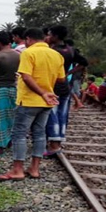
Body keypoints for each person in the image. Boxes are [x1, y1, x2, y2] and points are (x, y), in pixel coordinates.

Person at [0, 28, 64, 181]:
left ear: (28, 39)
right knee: (39, 134)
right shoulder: (56, 55)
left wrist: (41, 92)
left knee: (19, 134)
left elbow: (26, 77)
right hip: (46, 102)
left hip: (29, 100)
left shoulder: (29, 53)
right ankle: (34, 169)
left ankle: (17, 170)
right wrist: (46, 85)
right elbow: (61, 79)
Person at [45, 25, 74, 156]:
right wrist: (69, 72)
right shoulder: (70, 50)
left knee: (53, 115)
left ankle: (54, 145)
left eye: (49, 34)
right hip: (65, 86)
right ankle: (59, 142)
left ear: (55, 36)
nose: (47, 37)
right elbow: (83, 62)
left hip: (54, 86)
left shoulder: (53, 51)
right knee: (62, 115)